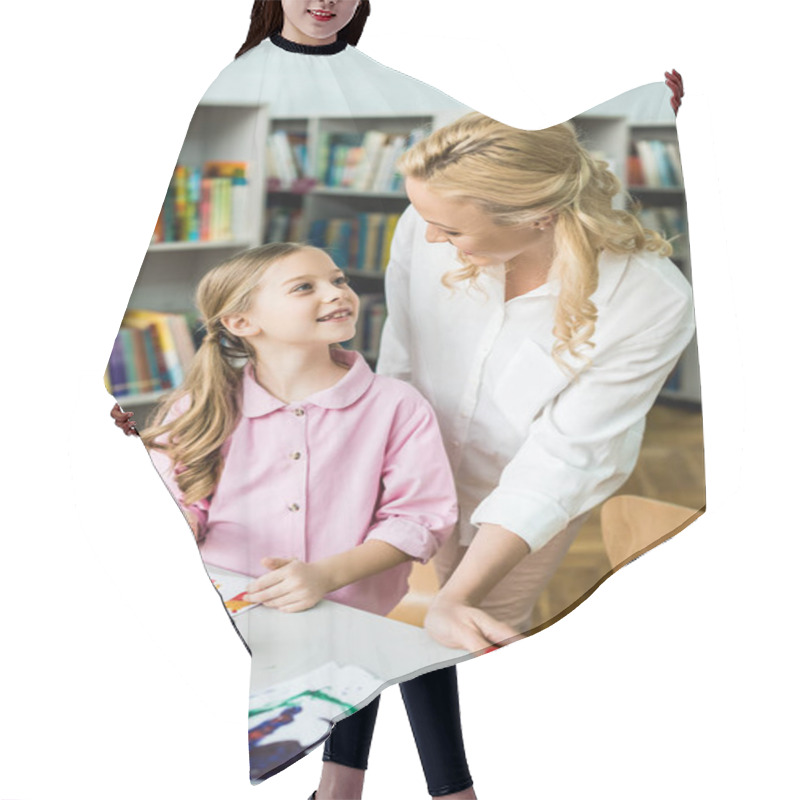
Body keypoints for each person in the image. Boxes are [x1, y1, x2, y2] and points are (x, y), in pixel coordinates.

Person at [376, 112, 697, 652]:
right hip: (413, 471)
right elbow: (401, 355)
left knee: (475, 637)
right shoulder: (424, 226)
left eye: (453, 231)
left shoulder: (649, 299)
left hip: (526, 497)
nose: (431, 237)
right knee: (377, 622)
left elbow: (564, 459)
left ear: (538, 217)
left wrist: (460, 598)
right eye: (423, 217)